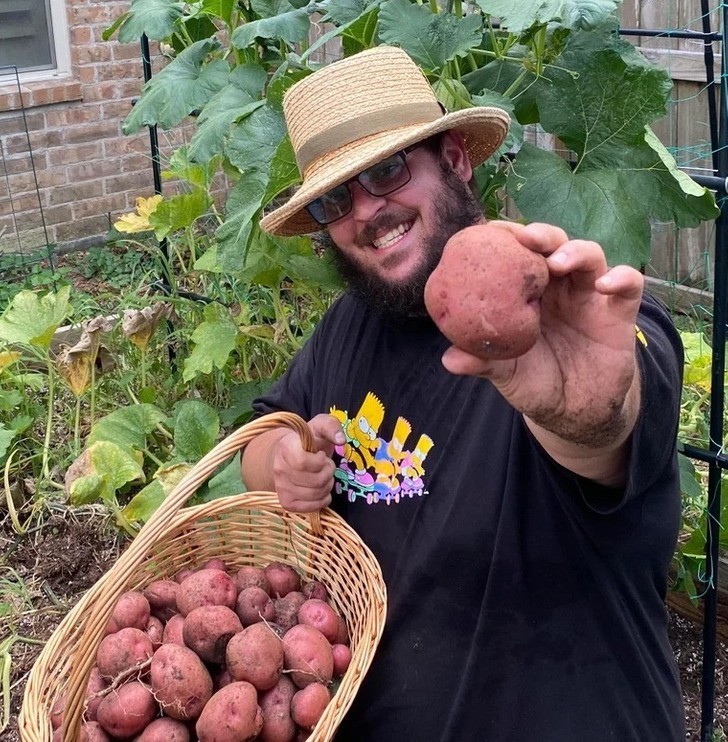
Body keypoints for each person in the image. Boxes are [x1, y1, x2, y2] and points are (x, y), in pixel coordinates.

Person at [242, 45, 686, 741]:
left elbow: (607, 425)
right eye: (336, 198)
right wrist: (282, 464)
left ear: (455, 160)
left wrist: (585, 412)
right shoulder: (350, 327)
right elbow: (268, 426)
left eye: (388, 171)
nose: (367, 211)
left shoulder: (570, 325)